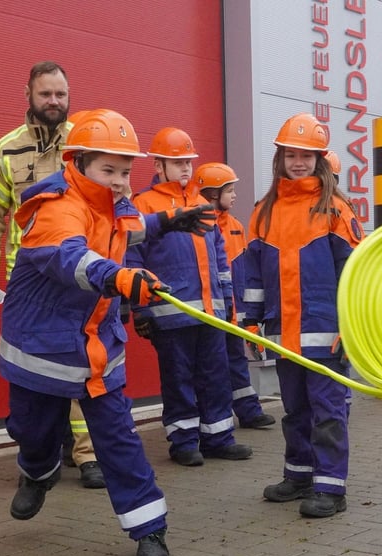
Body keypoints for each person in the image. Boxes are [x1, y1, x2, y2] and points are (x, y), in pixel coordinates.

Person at [0, 109, 215, 556]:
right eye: (108, 170)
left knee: (119, 440)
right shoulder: (56, 206)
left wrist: (171, 220)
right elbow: (72, 260)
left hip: (98, 348)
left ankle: (149, 529)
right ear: (76, 162)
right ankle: (38, 473)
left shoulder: (116, 206)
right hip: (42, 350)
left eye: (124, 171)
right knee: (32, 433)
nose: (119, 181)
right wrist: (119, 278)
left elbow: (131, 230)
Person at [0, 62, 104, 489]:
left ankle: (87, 455)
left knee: (83, 365)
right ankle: (47, 449)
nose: (54, 102)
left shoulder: (85, 143)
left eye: (61, 95)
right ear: (28, 94)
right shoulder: (6, 150)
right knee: (33, 372)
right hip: (28, 286)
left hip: (79, 276)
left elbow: (107, 204)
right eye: (46, 94)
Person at [244, 113, 362, 518]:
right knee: (294, 408)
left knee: (328, 411)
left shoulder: (336, 210)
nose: (298, 162)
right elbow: (255, 276)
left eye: (306, 155)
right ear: (280, 158)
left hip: (327, 333)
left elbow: (354, 275)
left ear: (318, 159)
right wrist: (250, 320)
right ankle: (298, 475)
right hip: (283, 333)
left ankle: (330, 487)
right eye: (290, 155)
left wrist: (353, 328)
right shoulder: (263, 212)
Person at [129, 128, 253, 466]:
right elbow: (133, 261)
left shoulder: (201, 204)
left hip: (210, 312)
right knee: (178, 380)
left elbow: (220, 259)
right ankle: (184, 442)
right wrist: (140, 310)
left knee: (215, 377)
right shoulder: (144, 205)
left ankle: (219, 438)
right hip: (170, 314)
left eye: (188, 162)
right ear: (159, 165)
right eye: (177, 162)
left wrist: (228, 304)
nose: (185, 168)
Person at [192, 162, 276, 430]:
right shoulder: (197, 224)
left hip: (233, 309)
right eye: (230, 190)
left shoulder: (237, 226)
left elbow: (244, 269)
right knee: (211, 366)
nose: (235, 195)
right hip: (211, 310)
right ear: (213, 194)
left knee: (237, 360)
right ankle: (212, 418)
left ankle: (248, 411)